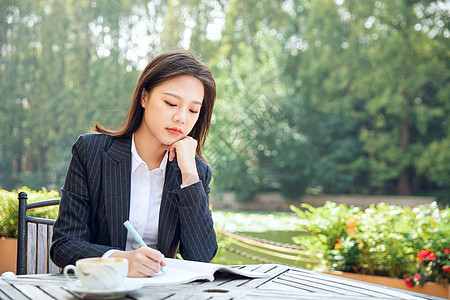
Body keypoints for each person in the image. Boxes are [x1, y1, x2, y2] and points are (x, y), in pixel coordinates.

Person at [50, 50, 218, 277]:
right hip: (99, 290)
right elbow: (64, 245)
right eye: (171, 103)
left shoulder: (195, 171)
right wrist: (119, 261)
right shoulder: (91, 152)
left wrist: (189, 174)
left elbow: (201, 257)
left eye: (193, 110)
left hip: (159, 292)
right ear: (144, 97)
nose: (182, 118)